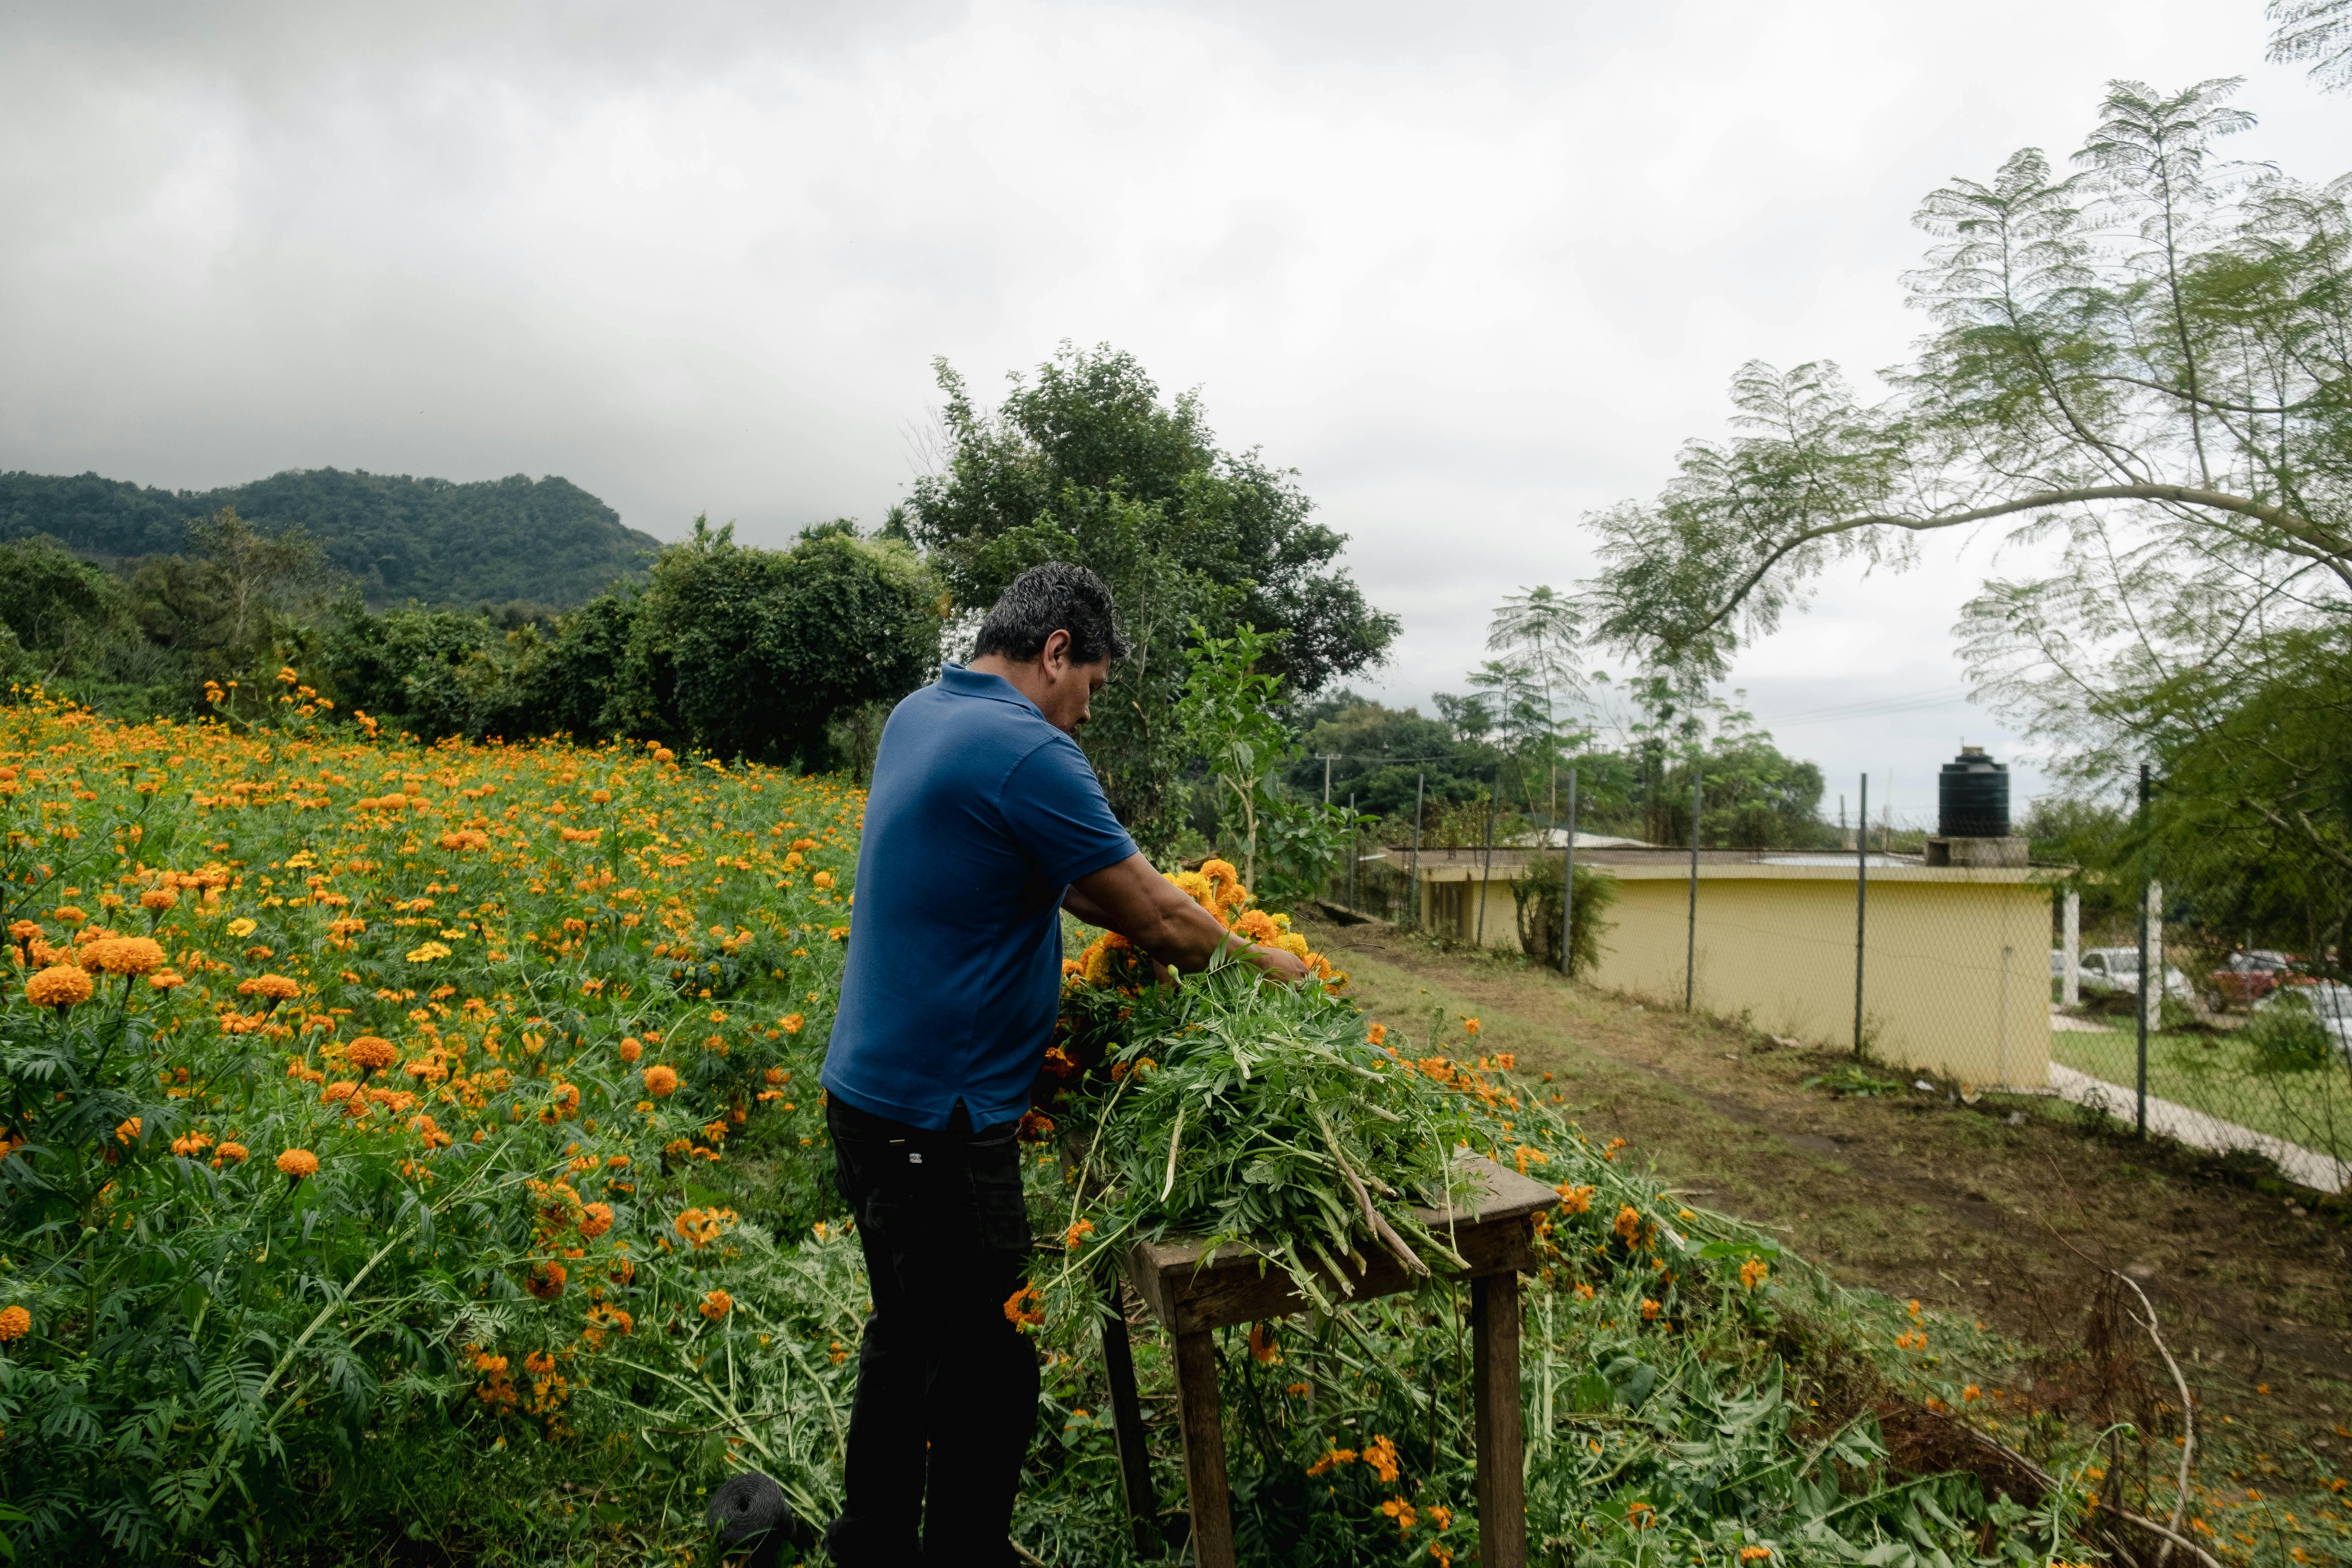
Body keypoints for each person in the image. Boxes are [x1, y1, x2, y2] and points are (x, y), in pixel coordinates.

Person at [818, 561, 1308, 1566]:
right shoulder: (1024, 749)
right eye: (1091, 685)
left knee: (905, 1335)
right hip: (939, 1121)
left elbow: (1073, 886)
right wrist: (1272, 968)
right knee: (989, 1364)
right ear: (1054, 654)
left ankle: (868, 1543)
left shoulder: (922, 713)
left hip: (868, 1097)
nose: (1086, 711)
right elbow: (1161, 918)